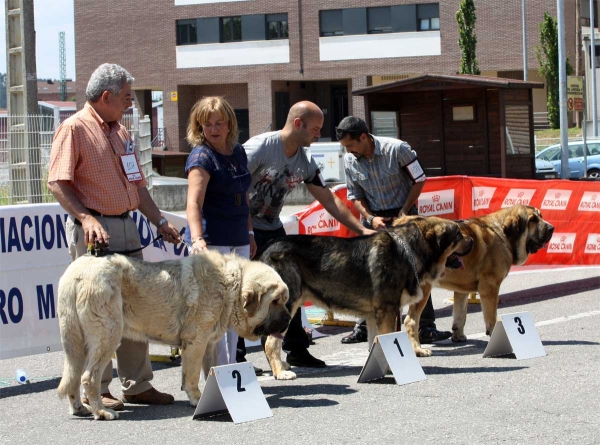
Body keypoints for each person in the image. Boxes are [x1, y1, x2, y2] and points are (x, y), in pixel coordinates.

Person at [48, 63, 182, 411]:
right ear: (105, 96)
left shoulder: (121, 132)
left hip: (128, 227)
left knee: (135, 307)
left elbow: (138, 186)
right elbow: (57, 182)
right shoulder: (74, 128)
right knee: (99, 312)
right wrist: (86, 218)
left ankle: (138, 385)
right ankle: (99, 386)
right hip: (94, 234)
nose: (130, 104)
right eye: (125, 98)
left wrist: (158, 221)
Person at [238, 101, 376, 369]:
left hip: (272, 227)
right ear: (298, 124)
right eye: (315, 129)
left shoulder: (305, 161)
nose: (318, 135)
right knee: (243, 294)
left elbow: (329, 199)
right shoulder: (259, 148)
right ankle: (237, 358)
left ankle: (297, 349)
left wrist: (362, 228)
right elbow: (235, 189)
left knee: (291, 287)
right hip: (244, 229)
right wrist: (247, 231)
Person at [335, 116, 452, 345]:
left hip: (405, 216)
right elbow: (355, 196)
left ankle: (425, 326)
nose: (349, 151)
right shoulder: (350, 160)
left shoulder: (397, 149)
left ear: (363, 137)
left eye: (351, 145)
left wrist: (404, 211)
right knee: (369, 273)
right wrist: (370, 218)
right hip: (375, 219)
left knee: (417, 272)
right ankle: (363, 326)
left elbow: (419, 179)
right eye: (345, 148)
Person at [183, 96, 260, 374]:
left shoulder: (237, 152)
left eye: (219, 123)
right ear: (200, 127)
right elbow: (193, 202)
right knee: (214, 313)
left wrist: (250, 232)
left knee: (234, 310)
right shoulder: (201, 156)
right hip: (212, 242)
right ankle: (215, 375)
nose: (213, 129)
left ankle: (229, 369)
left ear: (229, 124)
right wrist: (197, 238)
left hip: (239, 238)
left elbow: (243, 196)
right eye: (207, 124)